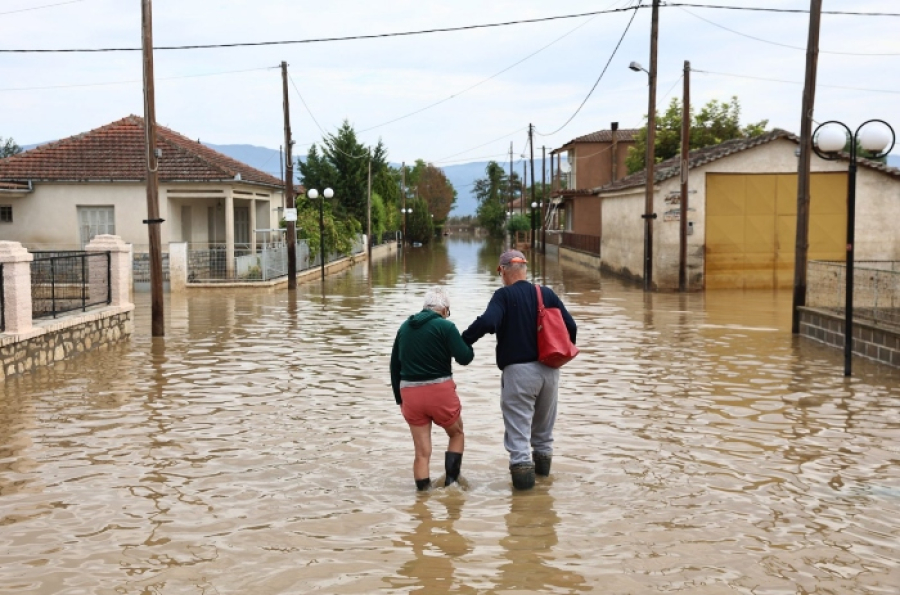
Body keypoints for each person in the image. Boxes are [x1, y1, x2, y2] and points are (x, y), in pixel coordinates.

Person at [461, 250, 576, 490]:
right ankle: (543, 495)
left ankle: (523, 505)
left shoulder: (503, 296)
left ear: (503, 270)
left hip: (519, 373)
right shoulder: (546, 293)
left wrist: (464, 341)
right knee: (543, 436)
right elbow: (571, 326)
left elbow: (488, 322)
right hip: (550, 372)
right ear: (524, 270)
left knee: (519, 440)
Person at [391, 288, 474, 491]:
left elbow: (394, 366)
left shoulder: (404, 327)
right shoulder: (446, 326)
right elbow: (464, 358)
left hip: (409, 394)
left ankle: (422, 498)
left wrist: (399, 399)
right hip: (439, 391)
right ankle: (452, 485)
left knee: (421, 453)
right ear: (444, 310)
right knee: (456, 434)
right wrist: (467, 343)